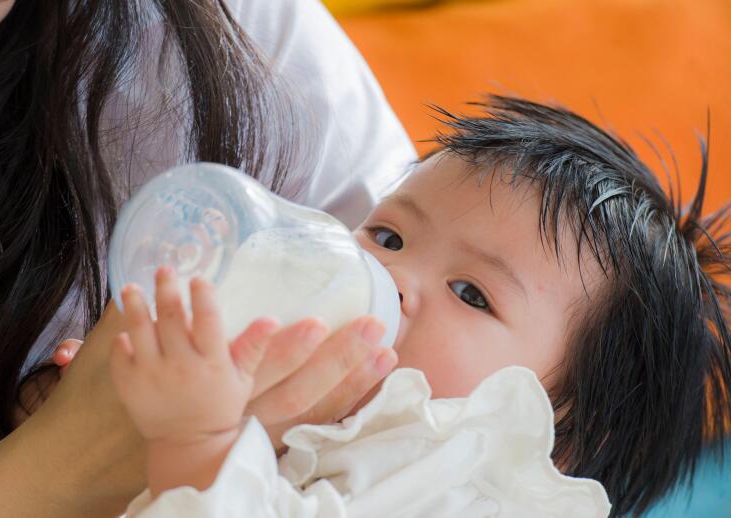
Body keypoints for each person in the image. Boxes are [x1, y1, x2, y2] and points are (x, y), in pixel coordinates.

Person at [0, 0, 416, 515]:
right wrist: (68, 462)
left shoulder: (221, 29)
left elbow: (432, 242)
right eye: (387, 242)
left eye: (471, 296)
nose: (404, 283)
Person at [76, 96, 731, 517]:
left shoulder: (464, 479)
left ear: (555, 438)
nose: (390, 275)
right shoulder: (333, 414)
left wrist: (195, 443)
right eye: (388, 235)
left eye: (472, 293)